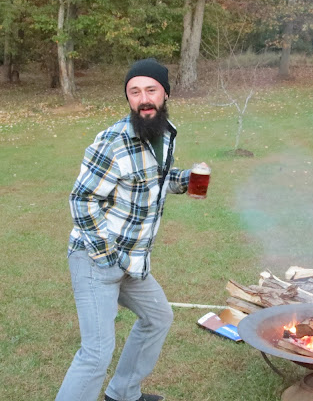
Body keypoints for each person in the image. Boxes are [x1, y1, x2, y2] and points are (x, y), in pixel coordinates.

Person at [56, 58, 203, 401]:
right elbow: (82, 199)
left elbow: (155, 180)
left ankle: (122, 393)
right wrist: (108, 258)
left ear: (166, 93)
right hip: (97, 259)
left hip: (132, 261)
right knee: (96, 353)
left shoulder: (164, 134)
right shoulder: (113, 141)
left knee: (158, 318)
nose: (144, 99)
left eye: (151, 90)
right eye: (134, 92)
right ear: (128, 98)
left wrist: (186, 179)